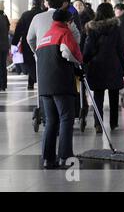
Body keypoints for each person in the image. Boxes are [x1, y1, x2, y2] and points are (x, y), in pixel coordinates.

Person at [36, 9, 83, 169]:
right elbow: (69, 53)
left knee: (51, 121)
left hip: (44, 85)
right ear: (67, 21)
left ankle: (48, 159)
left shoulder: (45, 37)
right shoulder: (63, 33)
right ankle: (65, 157)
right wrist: (79, 64)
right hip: (61, 83)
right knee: (66, 118)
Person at [83, 3, 124, 133]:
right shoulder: (116, 27)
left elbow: (89, 49)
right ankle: (113, 123)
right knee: (114, 95)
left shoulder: (92, 29)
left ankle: (98, 124)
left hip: (96, 66)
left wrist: (84, 61)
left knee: (98, 96)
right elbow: (121, 49)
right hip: (114, 65)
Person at [12, 0, 44, 90]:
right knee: (39, 63)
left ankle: (31, 83)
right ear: (41, 4)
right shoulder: (43, 14)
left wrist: (14, 42)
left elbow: (18, 29)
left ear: (32, 4)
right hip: (41, 42)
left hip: (27, 43)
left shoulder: (25, 15)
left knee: (30, 63)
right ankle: (38, 81)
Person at [0, 1, 10, 91]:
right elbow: (7, 29)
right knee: (3, 65)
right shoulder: (5, 17)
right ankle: (3, 84)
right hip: (4, 45)